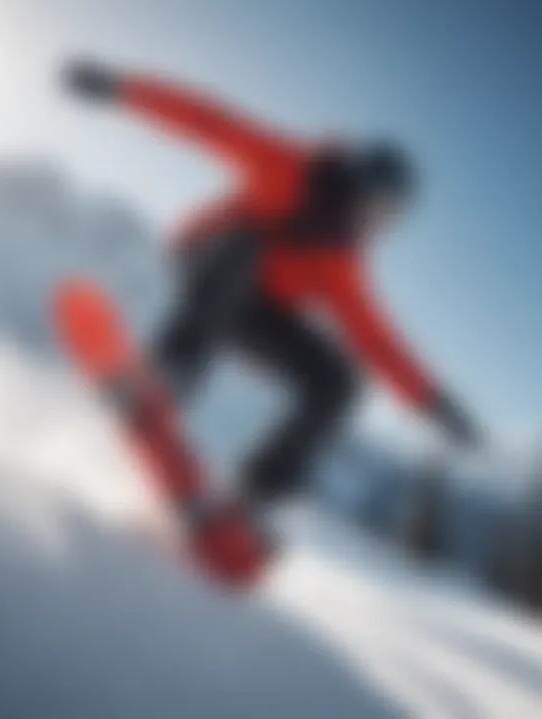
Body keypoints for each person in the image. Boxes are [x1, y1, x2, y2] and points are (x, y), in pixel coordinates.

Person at [63, 59, 480, 559]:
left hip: (256, 315)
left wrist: (436, 402)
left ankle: (251, 497)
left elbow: (377, 340)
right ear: (360, 181)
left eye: (391, 218)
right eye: (380, 207)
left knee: (339, 382)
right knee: (246, 249)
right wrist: (122, 90)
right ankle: (168, 378)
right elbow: (208, 121)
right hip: (208, 264)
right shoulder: (287, 166)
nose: (379, 224)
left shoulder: (342, 260)